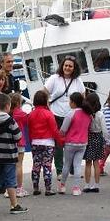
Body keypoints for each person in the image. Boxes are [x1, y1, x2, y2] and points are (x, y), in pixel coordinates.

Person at [43, 55, 85, 186]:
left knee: (72, 142)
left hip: (72, 116)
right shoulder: (54, 78)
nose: (67, 68)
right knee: (58, 144)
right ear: (62, 66)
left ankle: (72, 169)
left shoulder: (78, 80)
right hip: (56, 114)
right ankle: (60, 170)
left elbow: (83, 96)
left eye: (70, 66)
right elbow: (44, 92)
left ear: (74, 68)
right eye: (65, 65)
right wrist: (48, 109)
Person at [0, 93, 28, 214]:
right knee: (10, 181)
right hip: (9, 156)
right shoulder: (11, 121)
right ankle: (14, 205)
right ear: (8, 106)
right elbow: (18, 136)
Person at [28, 90, 63, 196]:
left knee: (36, 166)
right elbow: (54, 130)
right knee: (47, 165)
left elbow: (29, 131)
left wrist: (31, 143)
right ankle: (48, 189)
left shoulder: (31, 115)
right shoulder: (48, 114)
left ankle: (36, 188)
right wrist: (60, 141)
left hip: (35, 142)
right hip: (48, 143)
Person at [59, 92, 93, 196]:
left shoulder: (71, 113)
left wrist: (62, 134)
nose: (69, 103)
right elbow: (89, 128)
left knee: (67, 165)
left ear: (73, 102)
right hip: (83, 143)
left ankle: (62, 186)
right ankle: (76, 188)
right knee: (77, 165)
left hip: (70, 142)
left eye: (70, 101)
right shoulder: (88, 114)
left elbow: (63, 129)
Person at [83, 93, 105, 193]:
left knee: (88, 162)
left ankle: (87, 184)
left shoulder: (87, 114)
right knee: (96, 162)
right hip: (98, 137)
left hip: (88, 138)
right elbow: (104, 129)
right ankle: (96, 185)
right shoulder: (100, 114)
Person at [10, 93, 29, 197]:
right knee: (19, 165)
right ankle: (19, 188)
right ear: (18, 103)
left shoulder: (8, 113)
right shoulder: (21, 114)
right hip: (19, 142)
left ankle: (9, 188)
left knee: (9, 166)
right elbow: (28, 122)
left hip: (9, 142)